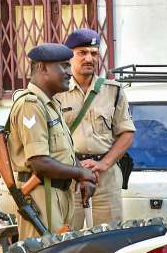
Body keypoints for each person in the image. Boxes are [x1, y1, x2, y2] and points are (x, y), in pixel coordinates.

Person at [7, 43, 96, 242]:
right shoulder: (31, 105)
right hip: (41, 195)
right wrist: (81, 173)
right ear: (43, 68)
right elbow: (40, 162)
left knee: (62, 252)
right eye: (64, 66)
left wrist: (82, 174)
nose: (70, 72)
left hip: (59, 193)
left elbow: (63, 152)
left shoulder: (52, 104)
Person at [56, 29, 135, 229]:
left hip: (105, 180)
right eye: (82, 53)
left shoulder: (113, 90)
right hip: (69, 178)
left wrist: (103, 164)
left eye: (94, 53)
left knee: (108, 238)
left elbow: (127, 133)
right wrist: (74, 167)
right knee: (65, 238)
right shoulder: (56, 92)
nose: (89, 58)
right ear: (69, 56)